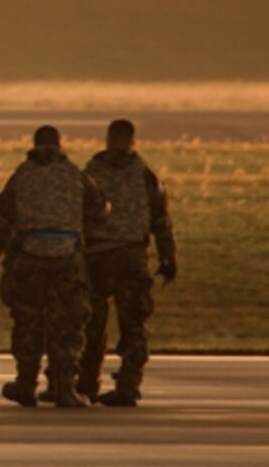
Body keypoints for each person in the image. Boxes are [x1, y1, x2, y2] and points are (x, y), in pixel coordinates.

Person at [0, 125, 108, 408]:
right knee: (68, 324)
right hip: (66, 260)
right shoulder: (76, 176)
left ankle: (25, 384)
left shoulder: (22, 177)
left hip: (29, 256)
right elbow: (100, 210)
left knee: (28, 322)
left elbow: (1, 220)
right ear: (60, 145)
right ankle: (64, 388)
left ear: (34, 144)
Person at [79, 118, 176, 406]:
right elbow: (161, 220)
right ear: (133, 141)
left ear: (108, 139)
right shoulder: (145, 175)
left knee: (92, 324)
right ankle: (128, 385)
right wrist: (168, 256)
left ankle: (86, 383)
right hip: (132, 256)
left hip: (97, 256)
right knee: (133, 324)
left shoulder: (90, 171)